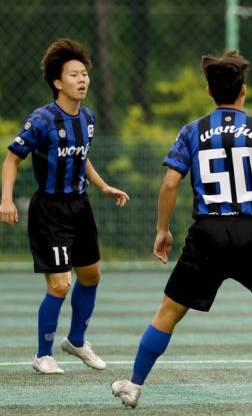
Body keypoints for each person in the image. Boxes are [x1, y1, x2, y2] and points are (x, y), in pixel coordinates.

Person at [110, 51, 252, 408]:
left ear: (209, 93)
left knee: (169, 311)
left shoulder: (192, 131)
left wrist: (162, 230)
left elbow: (169, 183)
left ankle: (133, 386)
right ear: (244, 90)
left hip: (207, 234)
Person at [0, 38, 130, 374]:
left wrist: (102, 185)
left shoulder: (87, 118)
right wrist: (6, 199)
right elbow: (12, 159)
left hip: (80, 207)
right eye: (74, 74)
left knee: (91, 275)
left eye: (85, 74)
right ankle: (43, 354)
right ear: (58, 82)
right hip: (50, 211)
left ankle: (75, 340)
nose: (83, 79)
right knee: (60, 283)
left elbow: (82, 157)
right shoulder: (42, 119)